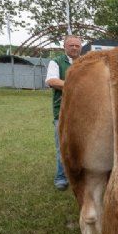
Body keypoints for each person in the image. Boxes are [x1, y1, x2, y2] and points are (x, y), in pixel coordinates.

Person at [45, 35, 82, 190]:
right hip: (62, 112)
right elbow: (51, 81)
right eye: (71, 45)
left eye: (77, 45)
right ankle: (61, 177)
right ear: (65, 46)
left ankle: (80, 175)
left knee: (82, 146)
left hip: (83, 113)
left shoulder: (86, 62)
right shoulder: (57, 62)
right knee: (63, 146)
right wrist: (75, 85)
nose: (74, 48)